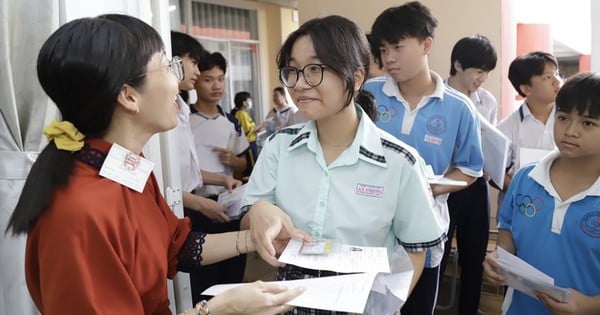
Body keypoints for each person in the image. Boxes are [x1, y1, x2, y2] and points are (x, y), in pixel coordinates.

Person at [5, 14, 303, 314]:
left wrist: (255, 239)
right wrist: (215, 311)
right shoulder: (78, 212)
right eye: (167, 65)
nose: (181, 80)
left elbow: (176, 245)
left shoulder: (126, 168)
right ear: (128, 96)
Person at [240, 15, 446, 315]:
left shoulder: (399, 162)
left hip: (363, 303)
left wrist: (384, 307)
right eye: (293, 71)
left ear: (357, 77)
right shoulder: (279, 147)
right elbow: (249, 221)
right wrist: (258, 210)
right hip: (286, 302)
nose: (299, 84)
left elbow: (416, 250)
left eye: (314, 69)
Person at [363, 2, 484, 314]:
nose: (388, 58)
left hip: (425, 233)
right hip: (367, 230)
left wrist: (434, 187)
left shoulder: (459, 108)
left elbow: (470, 170)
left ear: (426, 44)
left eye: (398, 47)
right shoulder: (368, 94)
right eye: (383, 48)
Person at [483, 72, 600, 315]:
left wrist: (586, 306)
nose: (570, 131)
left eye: (587, 123)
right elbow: (508, 230)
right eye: (563, 118)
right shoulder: (526, 179)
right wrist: (499, 259)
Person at [171, 31, 249, 304]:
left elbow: (243, 161)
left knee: (229, 275)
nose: (215, 85)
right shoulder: (180, 115)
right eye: (205, 76)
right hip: (193, 207)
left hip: (221, 205)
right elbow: (167, 179)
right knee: (203, 283)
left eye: (220, 79)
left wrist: (226, 175)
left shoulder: (231, 121)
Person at [440, 34, 498, 314]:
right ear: (458, 64)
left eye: (487, 71)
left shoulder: (487, 101)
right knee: (436, 255)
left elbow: (490, 142)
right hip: (444, 185)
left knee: (474, 258)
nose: (483, 77)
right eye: (478, 70)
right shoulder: (436, 95)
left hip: (477, 188)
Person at [497, 51, 560, 208]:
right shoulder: (506, 128)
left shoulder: (570, 121)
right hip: (520, 203)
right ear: (526, 89)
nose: (556, 81)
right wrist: (522, 189)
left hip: (560, 201)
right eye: (547, 77)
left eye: (556, 74)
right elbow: (496, 174)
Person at [231, 91, 261, 176]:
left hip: (252, 142)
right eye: (249, 100)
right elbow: (247, 131)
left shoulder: (244, 114)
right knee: (251, 167)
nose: (250, 102)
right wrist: (263, 125)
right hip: (248, 144)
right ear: (244, 102)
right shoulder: (241, 114)